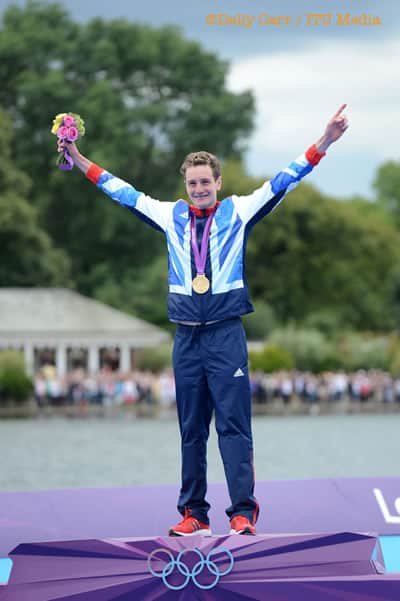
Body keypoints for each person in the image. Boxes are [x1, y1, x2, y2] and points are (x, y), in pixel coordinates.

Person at [57, 104, 349, 536]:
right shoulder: (169, 215)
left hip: (226, 335)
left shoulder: (240, 211)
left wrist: (324, 140)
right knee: (191, 429)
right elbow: (120, 190)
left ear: (218, 183)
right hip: (186, 338)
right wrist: (78, 158)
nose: (198, 189)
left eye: (204, 182)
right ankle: (194, 513)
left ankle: (243, 513)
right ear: (185, 184)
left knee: (233, 426)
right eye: (192, 182)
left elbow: (286, 179)